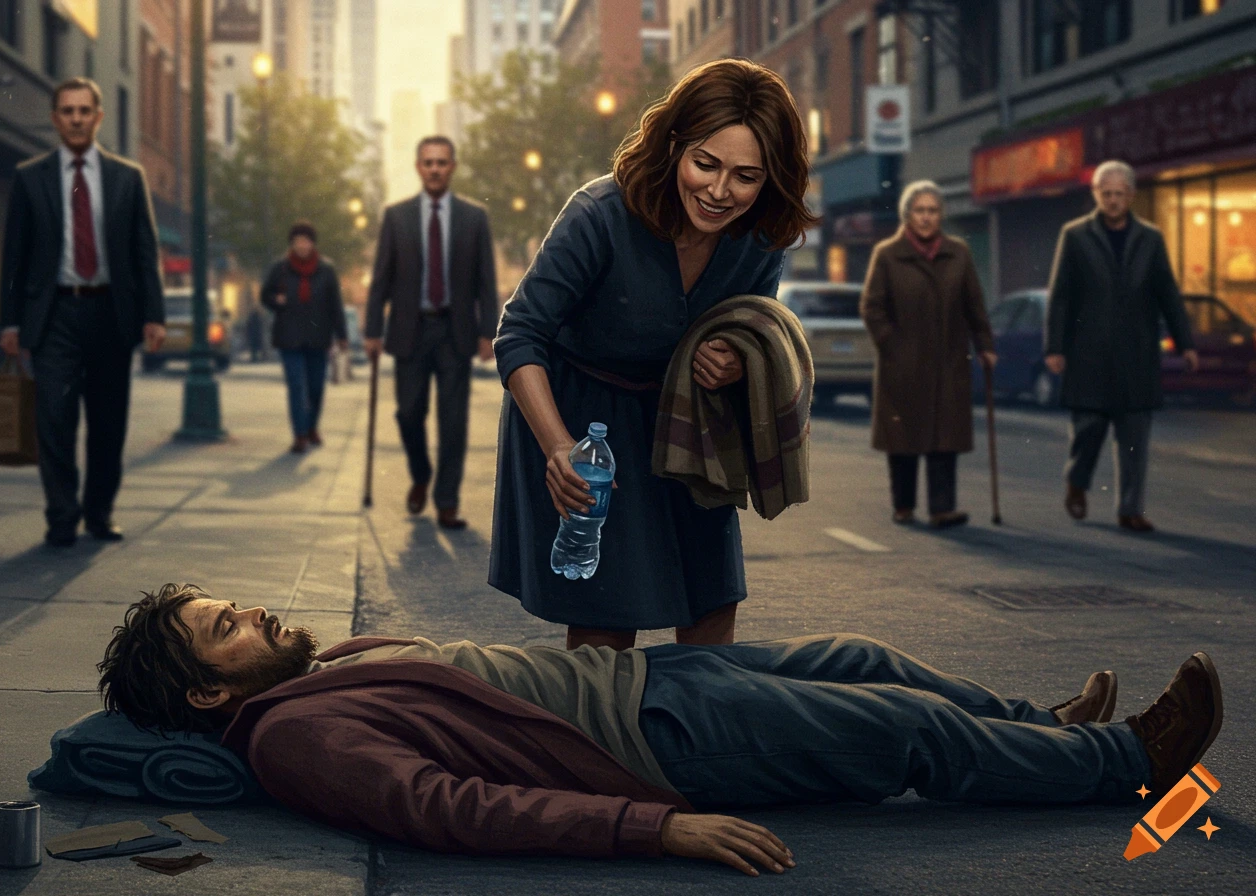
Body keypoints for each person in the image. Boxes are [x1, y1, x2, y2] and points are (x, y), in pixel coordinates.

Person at [96, 584, 1223, 876]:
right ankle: (1122, 759)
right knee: (897, 731)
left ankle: (1044, 726)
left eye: (228, 603)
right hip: (659, 739)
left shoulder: (319, 669)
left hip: (646, 677)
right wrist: (652, 829)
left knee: (861, 656)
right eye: (222, 628)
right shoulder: (298, 736)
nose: (249, 611)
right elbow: (454, 810)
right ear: (209, 694)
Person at [490, 59, 818, 651]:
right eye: (706, 164)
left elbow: (751, 326)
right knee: (608, 623)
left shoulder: (762, 236)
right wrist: (560, 448)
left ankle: (699, 742)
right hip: (588, 427)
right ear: (674, 147)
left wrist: (739, 362)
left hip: (691, 428)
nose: (720, 192)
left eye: (746, 176)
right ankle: (600, 741)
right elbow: (519, 335)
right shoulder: (598, 215)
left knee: (712, 605)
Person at [0, 77, 166, 547]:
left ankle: (99, 513)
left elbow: (143, 252)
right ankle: (61, 516)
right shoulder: (30, 178)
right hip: (53, 317)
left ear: (98, 116)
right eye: (67, 111)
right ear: (55, 119)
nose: (75, 118)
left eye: (83, 110)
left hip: (111, 313)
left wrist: (152, 314)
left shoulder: (127, 177)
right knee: (54, 418)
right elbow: (14, 257)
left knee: (109, 421)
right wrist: (11, 322)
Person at [1045, 161, 1198, 533]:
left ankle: (1131, 509)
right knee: (1088, 431)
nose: (1112, 201)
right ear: (1096, 194)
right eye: (1105, 193)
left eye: (1119, 194)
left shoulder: (1151, 238)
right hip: (1088, 355)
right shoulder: (1076, 235)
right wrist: (1055, 347)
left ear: (1130, 195)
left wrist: (1186, 342)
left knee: (1134, 439)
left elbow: (1167, 293)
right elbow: (1061, 296)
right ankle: (1077, 482)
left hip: (1136, 356)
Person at [364, 136, 498, 530]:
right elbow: (381, 279)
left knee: (453, 420)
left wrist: (487, 332)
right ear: (418, 167)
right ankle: (421, 473)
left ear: (452, 166)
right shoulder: (396, 216)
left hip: (454, 331)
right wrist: (373, 329)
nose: (435, 168)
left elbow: (485, 281)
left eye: (442, 162)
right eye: (428, 162)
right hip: (410, 329)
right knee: (408, 413)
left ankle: (447, 501)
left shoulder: (474, 218)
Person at [861, 180, 996, 529]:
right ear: (908, 215)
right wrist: (893, 345)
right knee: (904, 440)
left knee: (943, 439)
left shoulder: (959, 253)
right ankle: (903, 506)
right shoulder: (888, 254)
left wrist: (985, 345)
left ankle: (941, 509)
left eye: (932, 211)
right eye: (919, 210)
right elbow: (872, 308)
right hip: (903, 366)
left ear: (941, 215)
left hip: (948, 363)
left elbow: (974, 306)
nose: (926, 217)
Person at [260, 221, 348, 454]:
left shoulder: (326, 270)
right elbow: (264, 295)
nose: (302, 245)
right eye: (297, 241)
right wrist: (275, 301)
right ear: (292, 243)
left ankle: (311, 428)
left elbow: (335, 305)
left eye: (306, 240)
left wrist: (342, 335)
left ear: (312, 243)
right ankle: (299, 434)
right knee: (296, 386)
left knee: (316, 388)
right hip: (289, 337)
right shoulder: (280, 268)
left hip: (318, 337)